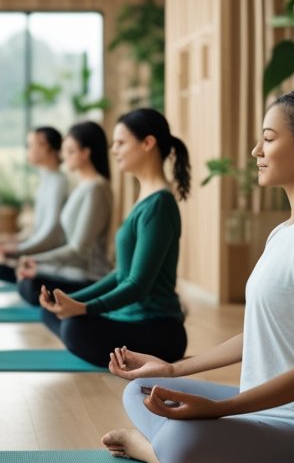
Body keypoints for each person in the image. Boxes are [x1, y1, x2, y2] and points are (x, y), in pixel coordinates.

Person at [101, 88, 294, 463]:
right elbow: (261, 333)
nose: (257, 150)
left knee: (181, 439)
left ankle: (153, 452)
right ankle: (182, 453)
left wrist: (219, 410)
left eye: (269, 139)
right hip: (264, 416)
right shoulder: (286, 231)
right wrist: (171, 368)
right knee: (143, 389)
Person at [36, 108, 190, 366]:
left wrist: (84, 308)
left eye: (120, 143)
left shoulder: (159, 205)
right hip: (130, 319)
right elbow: (121, 274)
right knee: (53, 314)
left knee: (75, 328)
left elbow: (137, 284)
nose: (114, 150)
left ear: (148, 143)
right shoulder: (146, 199)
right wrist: (75, 300)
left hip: (159, 330)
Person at [15, 121, 114, 306]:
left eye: (69, 151)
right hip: (72, 270)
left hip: (92, 277)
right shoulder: (83, 186)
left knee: (30, 284)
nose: (62, 155)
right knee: (26, 281)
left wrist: (36, 260)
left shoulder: (96, 190)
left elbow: (79, 250)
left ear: (85, 153)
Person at [0, 126, 69, 283]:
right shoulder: (47, 181)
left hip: (48, 262)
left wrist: (14, 252)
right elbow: (37, 231)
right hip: (36, 256)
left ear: (45, 147)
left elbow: (50, 234)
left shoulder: (59, 182)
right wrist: (8, 243)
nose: (27, 151)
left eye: (30, 145)